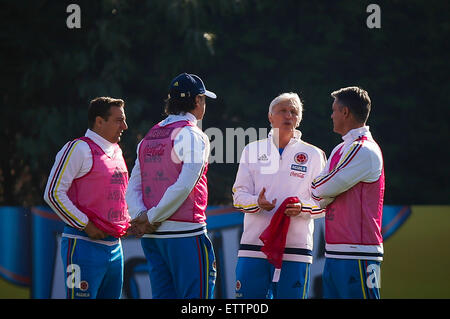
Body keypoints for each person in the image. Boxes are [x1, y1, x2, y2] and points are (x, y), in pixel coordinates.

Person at [126, 73, 217, 299]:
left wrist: (141, 215)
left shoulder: (149, 136)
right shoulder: (193, 134)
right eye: (203, 99)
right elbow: (185, 185)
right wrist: (151, 217)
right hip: (185, 234)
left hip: (153, 237)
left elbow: (133, 184)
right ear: (197, 102)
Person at [232, 92, 326, 299]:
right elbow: (238, 196)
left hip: (296, 249)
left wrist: (302, 208)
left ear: (299, 119)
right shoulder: (251, 150)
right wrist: (257, 202)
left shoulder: (314, 154)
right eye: (282, 111)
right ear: (270, 117)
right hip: (253, 246)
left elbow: (324, 202)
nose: (288, 115)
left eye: (294, 112)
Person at [44, 97, 130, 299]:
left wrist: (128, 221)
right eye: (119, 120)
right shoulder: (78, 148)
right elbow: (52, 193)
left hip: (115, 247)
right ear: (99, 121)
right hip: (83, 245)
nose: (125, 126)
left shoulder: (116, 150)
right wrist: (86, 225)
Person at [311, 86, 384, 299]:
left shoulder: (364, 150)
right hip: (335, 252)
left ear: (345, 112)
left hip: (360, 253)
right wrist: (326, 190)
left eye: (334, 110)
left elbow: (320, 188)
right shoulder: (340, 149)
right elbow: (318, 195)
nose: (331, 115)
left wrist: (325, 190)